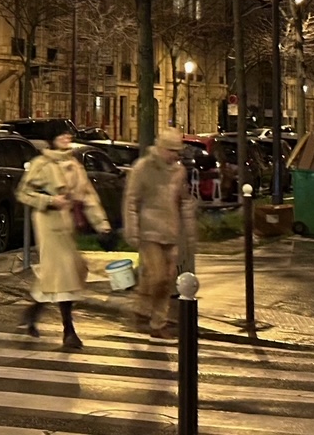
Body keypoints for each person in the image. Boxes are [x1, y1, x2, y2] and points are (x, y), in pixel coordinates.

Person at [16, 130, 113, 350]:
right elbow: (23, 193)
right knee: (64, 272)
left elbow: (88, 197)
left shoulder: (74, 164)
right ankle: (69, 331)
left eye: (68, 135)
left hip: (68, 224)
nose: (67, 138)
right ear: (52, 139)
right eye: (61, 135)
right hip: (48, 224)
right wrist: (50, 200)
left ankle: (32, 313)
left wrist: (103, 226)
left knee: (64, 273)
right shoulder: (41, 164)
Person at [123, 126, 194, 339]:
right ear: (161, 148)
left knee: (166, 278)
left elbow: (184, 200)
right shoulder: (142, 168)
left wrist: (189, 231)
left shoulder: (179, 171)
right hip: (149, 231)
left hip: (170, 231)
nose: (175, 155)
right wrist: (132, 230)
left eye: (178, 152)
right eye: (172, 150)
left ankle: (145, 313)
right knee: (158, 277)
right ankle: (155, 321)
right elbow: (131, 200)